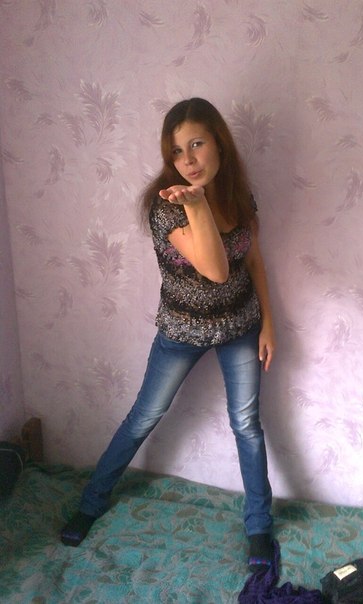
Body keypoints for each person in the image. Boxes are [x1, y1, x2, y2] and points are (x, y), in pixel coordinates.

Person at [60, 97, 276, 573]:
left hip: (240, 324)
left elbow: (252, 260)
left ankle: (259, 526)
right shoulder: (169, 207)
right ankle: (91, 502)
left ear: (219, 142)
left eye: (196, 144)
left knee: (246, 424)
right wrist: (196, 206)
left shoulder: (240, 197)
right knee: (144, 416)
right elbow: (216, 269)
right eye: (177, 151)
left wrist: (268, 324)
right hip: (182, 328)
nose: (188, 160)